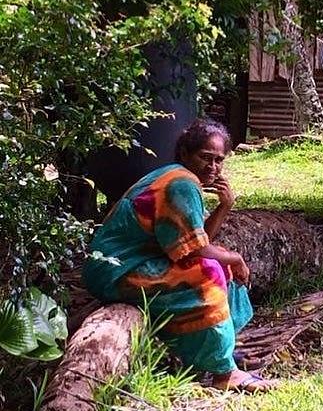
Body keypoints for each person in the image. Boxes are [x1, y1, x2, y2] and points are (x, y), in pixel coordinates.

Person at [82, 118, 277, 393]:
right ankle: (224, 372)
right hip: (117, 271)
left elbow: (196, 240)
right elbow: (195, 251)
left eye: (219, 160)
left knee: (219, 261)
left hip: (131, 263)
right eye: (205, 158)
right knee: (209, 273)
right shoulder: (181, 183)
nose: (213, 167)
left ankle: (219, 352)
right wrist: (235, 258)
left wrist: (225, 207)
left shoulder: (178, 177)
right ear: (185, 154)